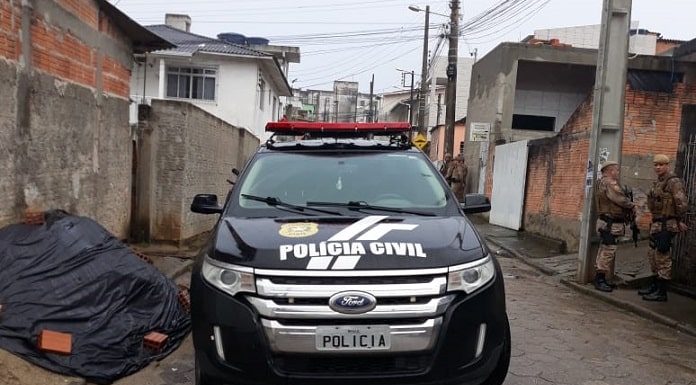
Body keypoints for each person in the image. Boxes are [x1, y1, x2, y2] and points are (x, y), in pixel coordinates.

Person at [639, 154, 689, 302]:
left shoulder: (673, 182)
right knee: (652, 255)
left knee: (662, 257)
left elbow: (682, 203)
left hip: (667, 224)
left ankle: (661, 292)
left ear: (667, 165)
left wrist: (679, 220)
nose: (658, 167)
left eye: (661, 165)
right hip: (657, 224)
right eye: (656, 165)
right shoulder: (657, 182)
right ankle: (655, 285)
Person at [593, 161, 636, 292]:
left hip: (605, 222)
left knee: (604, 250)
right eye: (616, 170)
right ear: (610, 170)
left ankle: (601, 278)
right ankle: (599, 280)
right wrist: (633, 205)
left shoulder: (600, 182)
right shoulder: (610, 183)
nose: (618, 172)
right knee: (608, 251)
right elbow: (620, 199)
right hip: (609, 224)